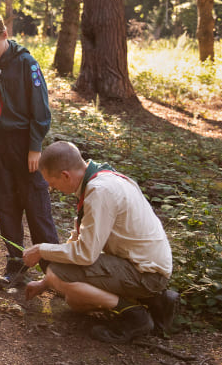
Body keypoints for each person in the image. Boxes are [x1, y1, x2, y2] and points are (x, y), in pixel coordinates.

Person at [23, 141, 179, 343]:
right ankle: (155, 301)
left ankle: (135, 316)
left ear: (65, 176)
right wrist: (45, 284)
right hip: (142, 265)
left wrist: (41, 250)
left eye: (52, 185)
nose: (54, 190)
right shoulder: (99, 177)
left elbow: (86, 254)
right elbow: (81, 237)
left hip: (147, 273)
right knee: (75, 300)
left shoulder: (100, 191)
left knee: (56, 273)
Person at [0, 10, 59, 289]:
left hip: (24, 145)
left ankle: (54, 272)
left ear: (4, 35)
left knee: (36, 206)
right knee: (6, 206)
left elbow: (41, 109)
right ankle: (15, 266)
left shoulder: (26, 63)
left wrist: (35, 146)